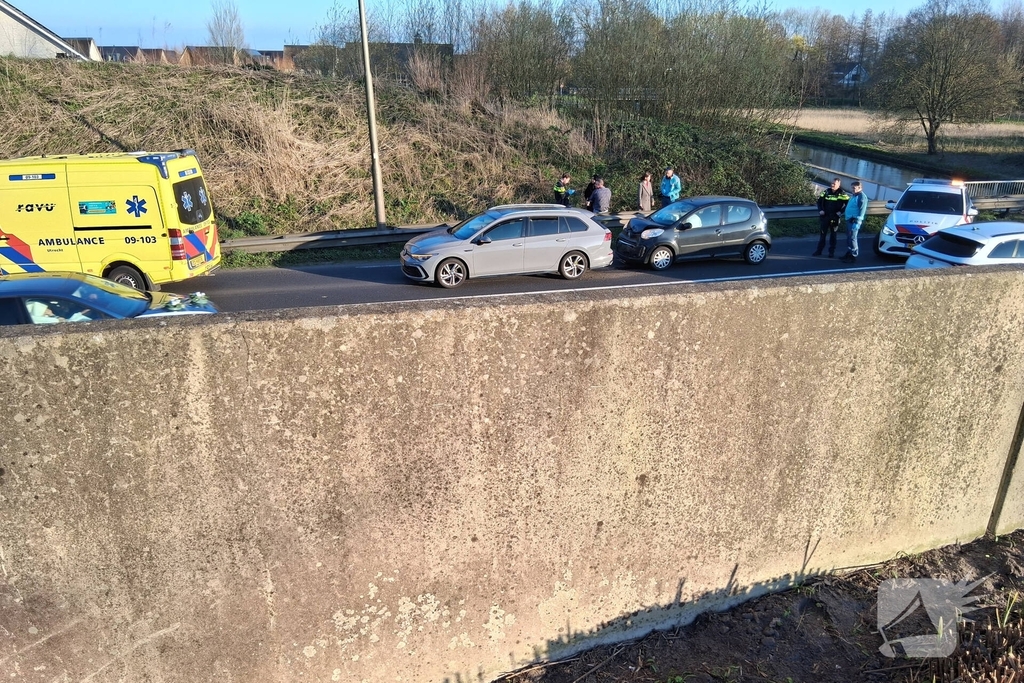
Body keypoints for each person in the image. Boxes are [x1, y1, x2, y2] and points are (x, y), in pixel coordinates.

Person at [813, 178, 849, 258]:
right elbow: (819, 202)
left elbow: (848, 204)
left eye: (834, 184)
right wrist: (821, 210)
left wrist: (841, 212)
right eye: (832, 183)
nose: (832, 185)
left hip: (835, 217)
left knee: (833, 235)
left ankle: (831, 252)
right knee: (822, 234)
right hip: (825, 216)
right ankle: (819, 251)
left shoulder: (842, 193)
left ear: (839, 185)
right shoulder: (826, 191)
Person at [841, 180, 868, 263]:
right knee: (849, 238)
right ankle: (849, 253)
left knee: (853, 238)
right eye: (852, 187)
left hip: (854, 221)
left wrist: (857, 222)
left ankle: (853, 255)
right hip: (849, 219)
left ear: (860, 188)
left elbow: (862, 211)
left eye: (854, 188)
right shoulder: (854, 195)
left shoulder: (861, 197)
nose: (852, 189)